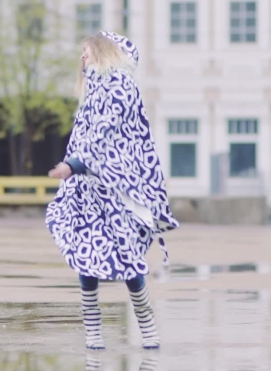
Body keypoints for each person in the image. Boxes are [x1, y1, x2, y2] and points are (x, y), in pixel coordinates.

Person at [45, 31, 179, 351]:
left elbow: (104, 134)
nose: (82, 56)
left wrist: (73, 165)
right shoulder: (94, 89)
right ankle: (93, 332)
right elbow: (84, 137)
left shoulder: (119, 84)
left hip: (117, 189)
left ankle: (147, 328)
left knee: (126, 256)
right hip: (88, 189)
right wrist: (75, 168)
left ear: (103, 50)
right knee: (86, 256)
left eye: (87, 50)